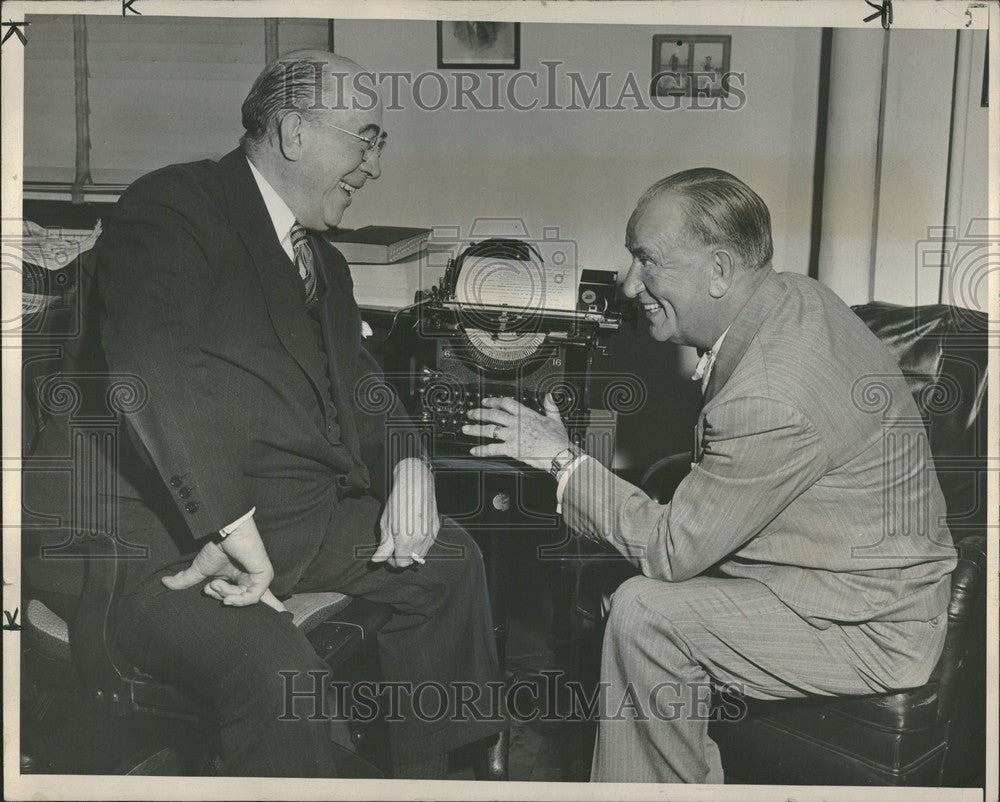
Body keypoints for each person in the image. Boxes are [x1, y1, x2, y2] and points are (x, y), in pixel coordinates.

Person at [23, 51, 506, 778]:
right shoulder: (173, 208)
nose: (374, 164)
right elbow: (150, 363)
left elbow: (366, 386)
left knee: (449, 560)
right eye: (365, 138)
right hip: (142, 538)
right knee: (284, 675)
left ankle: (432, 781)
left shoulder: (326, 265)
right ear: (293, 133)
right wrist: (227, 520)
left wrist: (408, 461)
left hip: (285, 520)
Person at [464, 168, 957, 783]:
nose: (626, 283)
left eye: (647, 261)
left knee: (646, 615)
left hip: (867, 626)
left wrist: (557, 459)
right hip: (844, 580)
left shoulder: (773, 392)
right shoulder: (793, 297)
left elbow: (671, 551)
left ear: (721, 271)